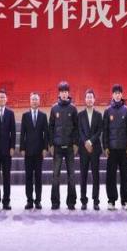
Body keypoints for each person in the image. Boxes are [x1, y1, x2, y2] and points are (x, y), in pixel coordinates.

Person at [49, 81, 79, 210]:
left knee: (71, 176)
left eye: (66, 91)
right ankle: (55, 202)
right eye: (62, 92)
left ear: (68, 93)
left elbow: (76, 128)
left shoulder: (73, 109)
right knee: (55, 175)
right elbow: (51, 128)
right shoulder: (54, 108)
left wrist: (76, 143)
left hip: (70, 148)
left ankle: (71, 202)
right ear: (59, 93)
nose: (64, 94)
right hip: (57, 147)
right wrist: (51, 144)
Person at [103, 84, 127, 211]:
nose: (117, 95)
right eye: (115, 93)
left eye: (119, 93)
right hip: (111, 149)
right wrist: (105, 146)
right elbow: (105, 130)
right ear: (112, 95)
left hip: (123, 149)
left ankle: (125, 200)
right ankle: (111, 200)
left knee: (125, 176)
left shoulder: (126, 111)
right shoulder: (107, 111)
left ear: (122, 95)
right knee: (111, 176)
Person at [20, 92, 48, 210]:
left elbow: (46, 134)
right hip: (28, 151)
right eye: (33, 99)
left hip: (39, 152)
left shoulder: (43, 116)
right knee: (28, 177)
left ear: (39, 101)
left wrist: (45, 148)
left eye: (36, 99)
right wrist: (22, 148)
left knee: (38, 177)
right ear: (30, 101)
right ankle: (29, 201)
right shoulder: (25, 116)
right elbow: (22, 133)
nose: (34, 101)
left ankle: (38, 201)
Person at [78, 89, 103, 211]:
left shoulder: (98, 115)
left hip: (95, 149)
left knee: (95, 175)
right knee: (83, 175)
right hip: (83, 149)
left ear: (94, 99)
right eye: (87, 97)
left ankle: (96, 201)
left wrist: (91, 142)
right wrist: (86, 142)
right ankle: (83, 201)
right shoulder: (80, 115)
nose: (89, 99)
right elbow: (80, 130)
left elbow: (99, 131)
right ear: (85, 99)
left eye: (91, 97)